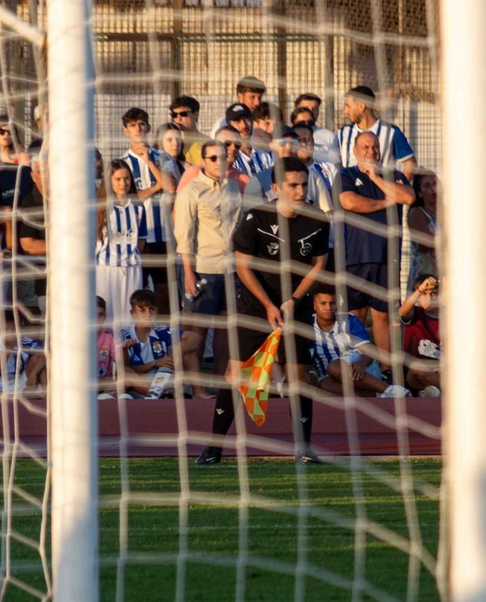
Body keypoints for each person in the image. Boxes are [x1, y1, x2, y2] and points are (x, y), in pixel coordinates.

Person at [196, 160, 329, 466]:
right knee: (235, 374)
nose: (300, 191)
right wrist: (269, 305)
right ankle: (214, 448)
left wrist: (293, 300)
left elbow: (318, 265)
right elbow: (243, 266)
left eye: (304, 185)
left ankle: (304, 449)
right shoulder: (255, 218)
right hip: (256, 307)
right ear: (276, 189)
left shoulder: (317, 218)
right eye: (293, 186)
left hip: (296, 307)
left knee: (299, 377)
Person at [336, 131, 416, 362]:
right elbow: (350, 202)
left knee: (383, 315)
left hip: (387, 256)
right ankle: (354, 366)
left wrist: (378, 180)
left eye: (375, 148)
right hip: (356, 256)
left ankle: (385, 370)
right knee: (355, 314)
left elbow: (408, 197)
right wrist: (386, 202)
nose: (371, 152)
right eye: (365, 147)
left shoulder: (393, 174)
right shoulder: (346, 175)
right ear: (355, 151)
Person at [172, 140, 242, 380]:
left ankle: (222, 380)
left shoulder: (233, 187)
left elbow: (238, 226)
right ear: (203, 161)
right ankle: (188, 380)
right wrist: (189, 273)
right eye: (213, 158)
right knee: (196, 330)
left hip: (231, 269)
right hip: (203, 268)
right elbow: (184, 236)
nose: (219, 162)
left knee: (225, 328)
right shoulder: (191, 191)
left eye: (223, 157)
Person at [120, 106, 178, 309]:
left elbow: (170, 187)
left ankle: (163, 331)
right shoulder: (123, 163)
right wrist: (156, 186)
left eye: (141, 125)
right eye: (133, 125)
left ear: (148, 128)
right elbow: (128, 198)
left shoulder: (163, 157)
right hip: (138, 236)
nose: (138, 129)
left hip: (163, 234)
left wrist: (149, 161)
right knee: (138, 287)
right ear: (125, 131)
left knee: (164, 288)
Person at [311, 287, 404, 398]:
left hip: (361, 369)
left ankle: (391, 389)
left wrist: (362, 362)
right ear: (314, 305)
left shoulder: (348, 320)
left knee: (334, 367)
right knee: (324, 385)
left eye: (332, 303)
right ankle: (374, 396)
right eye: (323, 303)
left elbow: (370, 352)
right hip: (332, 378)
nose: (328, 308)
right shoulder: (307, 325)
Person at [95, 163, 149, 335]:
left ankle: (128, 357)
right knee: (106, 315)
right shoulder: (99, 208)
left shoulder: (138, 208)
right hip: (105, 269)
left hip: (131, 269)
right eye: (117, 179)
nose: (123, 183)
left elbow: (141, 242)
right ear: (109, 181)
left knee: (128, 316)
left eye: (126, 179)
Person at [118, 288, 199, 397]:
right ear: (133, 313)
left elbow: (195, 337)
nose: (148, 314)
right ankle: (156, 393)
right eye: (142, 310)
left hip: (161, 377)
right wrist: (155, 363)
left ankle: (198, 392)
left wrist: (173, 356)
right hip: (137, 383)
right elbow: (129, 368)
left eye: (151, 310)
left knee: (189, 351)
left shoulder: (160, 330)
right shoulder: (125, 333)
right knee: (124, 370)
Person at [336, 85, 415, 177]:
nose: (346, 112)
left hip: (381, 189)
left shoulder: (391, 132)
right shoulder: (342, 133)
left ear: (361, 106)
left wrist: (396, 188)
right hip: (352, 190)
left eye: (348, 106)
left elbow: (410, 164)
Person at [399, 273, 443, 394]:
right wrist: (419, 289)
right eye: (424, 293)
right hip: (416, 374)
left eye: (433, 293)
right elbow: (401, 312)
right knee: (417, 367)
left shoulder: (449, 318)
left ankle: (429, 393)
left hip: (442, 372)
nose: (429, 298)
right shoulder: (415, 313)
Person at [290, 92, 341, 164]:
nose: (310, 111)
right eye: (306, 108)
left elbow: (336, 164)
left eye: (314, 108)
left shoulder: (329, 136)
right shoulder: (288, 135)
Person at [166, 95, 208, 166]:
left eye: (183, 114)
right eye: (174, 115)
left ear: (196, 114)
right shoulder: (168, 143)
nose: (178, 119)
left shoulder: (208, 144)